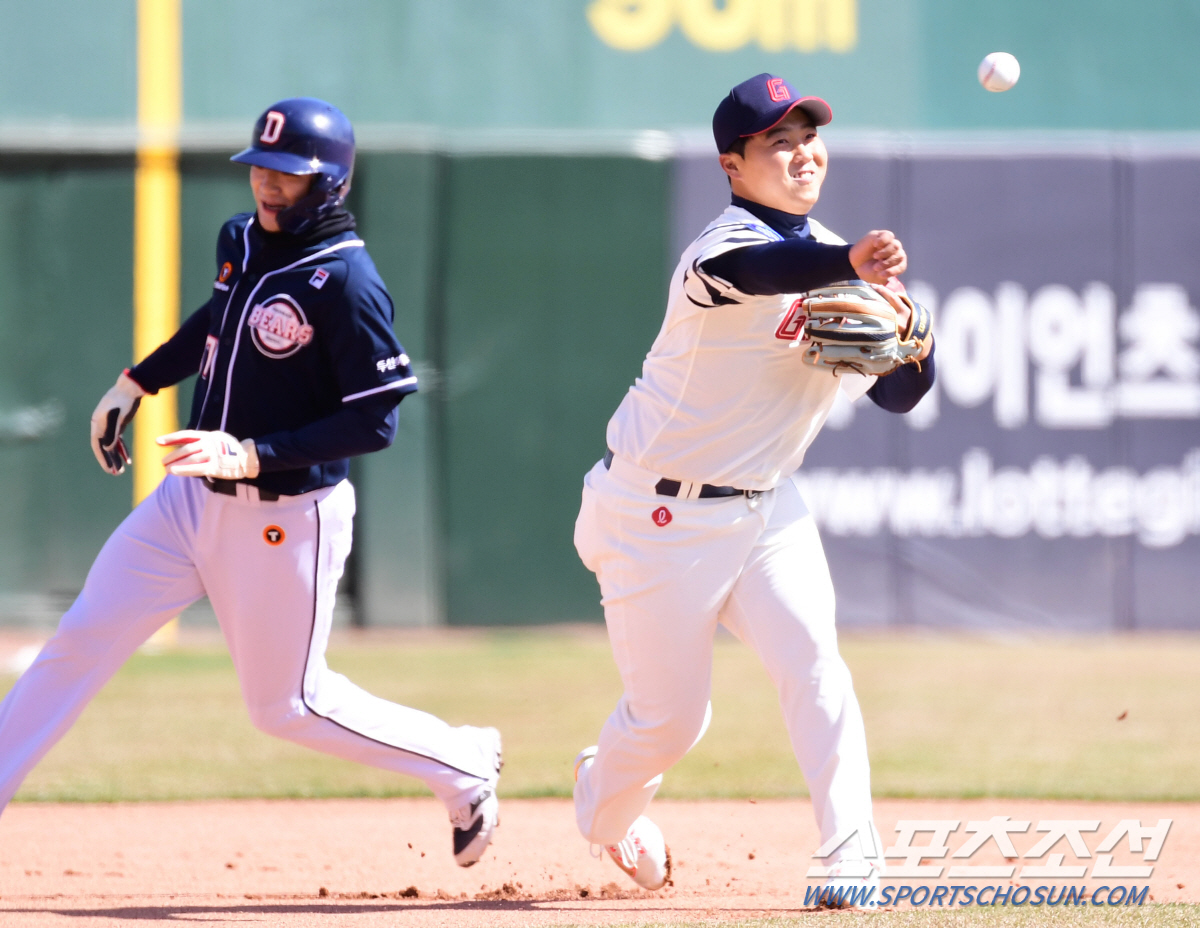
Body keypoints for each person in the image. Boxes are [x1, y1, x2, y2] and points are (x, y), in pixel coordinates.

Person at [0, 98, 501, 868]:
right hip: (188, 502)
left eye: (290, 176)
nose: (269, 186)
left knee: (287, 707)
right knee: (80, 640)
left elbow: (376, 422)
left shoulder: (349, 284)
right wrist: (137, 382)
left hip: (287, 516)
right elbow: (218, 317)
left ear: (330, 184)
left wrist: (256, 454)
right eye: (262, 169)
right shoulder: (241, 238)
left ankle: (462, 765)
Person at [570, 73, 935, 902]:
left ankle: (851, 857)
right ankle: (605, 807)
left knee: (816, 668)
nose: (803, 152)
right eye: (779, 142)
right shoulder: (719, 251)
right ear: (733, 165)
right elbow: (773, 269)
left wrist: (913, 340)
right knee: (669, 725)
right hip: (656, 513)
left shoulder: (841, 261)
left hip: (767, 506)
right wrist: (847, 264)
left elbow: (900, 395)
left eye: (810, 136)